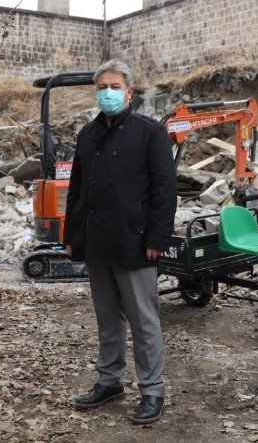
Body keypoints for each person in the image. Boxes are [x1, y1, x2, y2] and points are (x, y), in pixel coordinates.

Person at [64, 59, 177, 424]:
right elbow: (77, 190)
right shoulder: (88, 134)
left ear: (129, 92)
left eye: (114, 87)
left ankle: (152, 390)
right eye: (101, 88)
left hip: (135, 239)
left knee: (144, 321)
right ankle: (109, 380)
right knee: (107, 317)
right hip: (97, 239)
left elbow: (165, 190)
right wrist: (72, 236)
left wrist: (157, 236)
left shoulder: (150, 132)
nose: (107, 93)